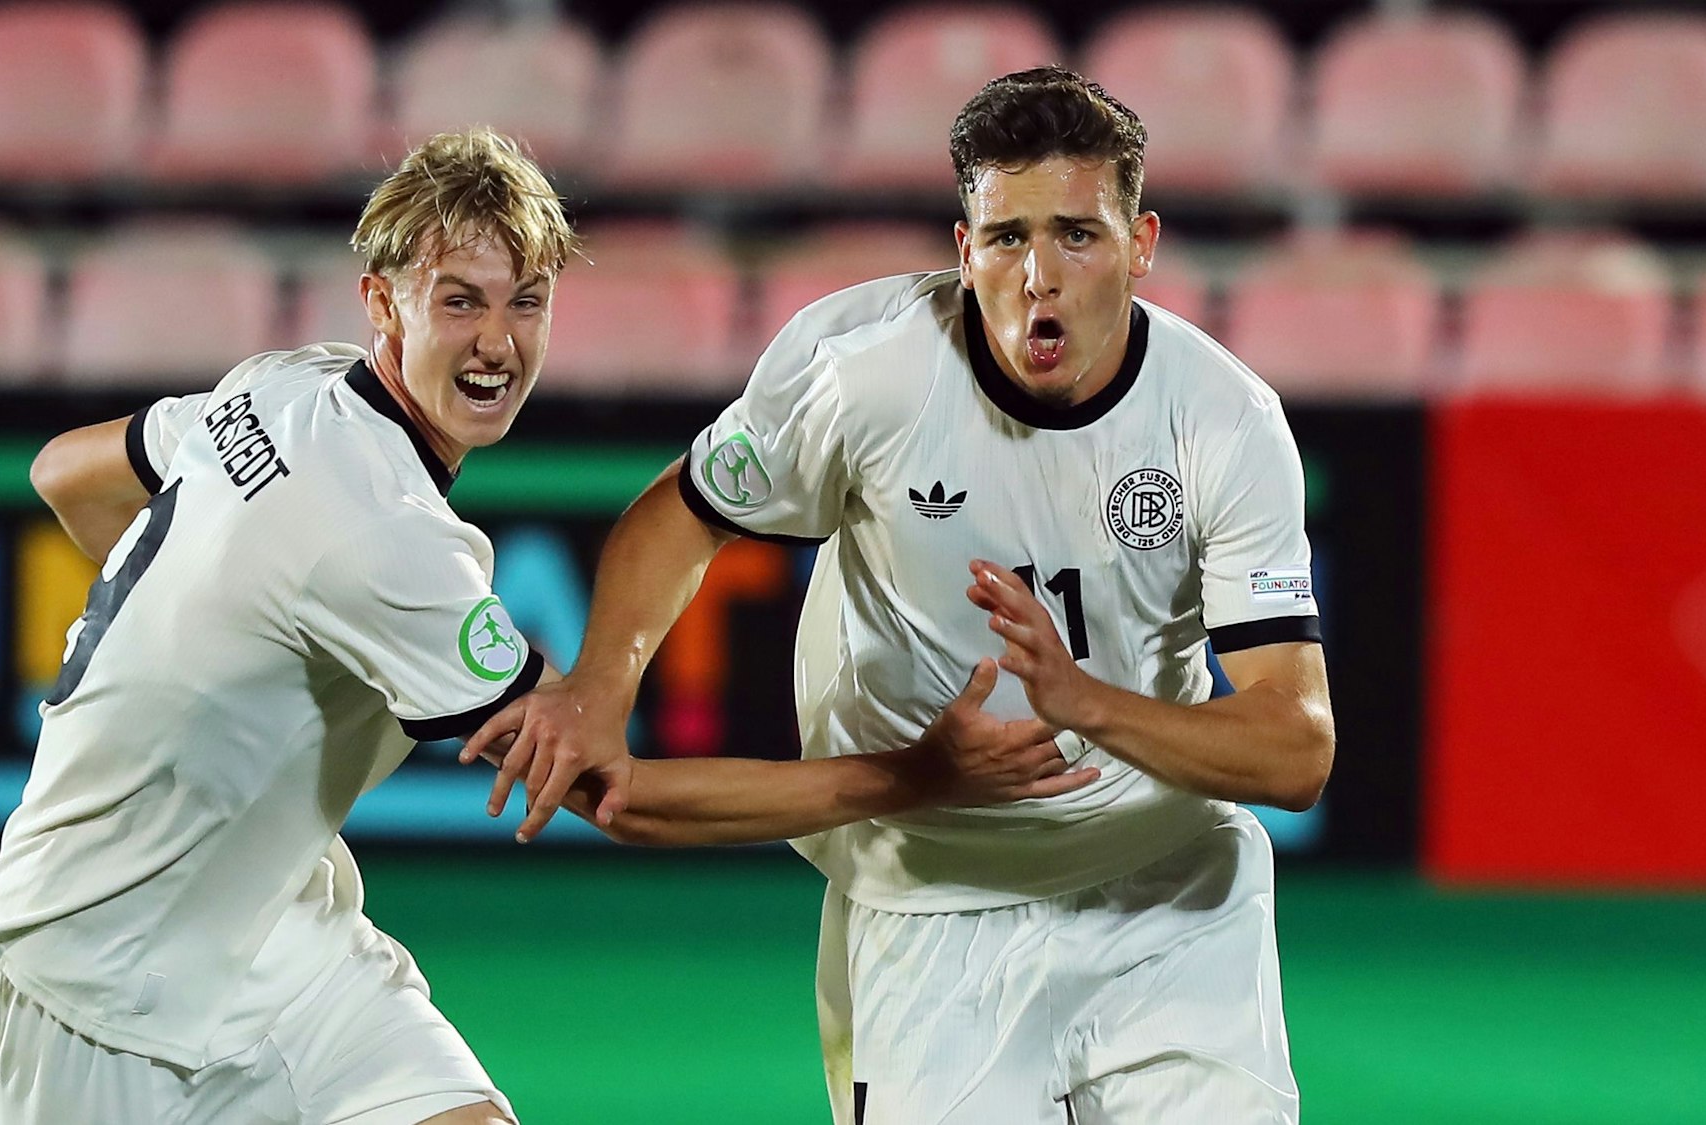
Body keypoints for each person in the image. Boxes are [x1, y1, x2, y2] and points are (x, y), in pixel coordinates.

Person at [0, 127, 1090, 1125]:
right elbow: (616, 797)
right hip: (85, 987)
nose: (496, 343)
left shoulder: (281, 384)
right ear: (381, 300)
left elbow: (68, 474)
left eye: (523, 301)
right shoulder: (384, 541)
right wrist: (920, 775)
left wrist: (203, 631)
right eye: (459, 301)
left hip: (277, 937)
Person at [473, 68, 1336, 1124]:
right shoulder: (868, 373)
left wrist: (1087, 707)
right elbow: (685, 508)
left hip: (1166, 892)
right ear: (964, 249)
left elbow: (1294, 750)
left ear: (1141, 244)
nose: (1039, 276)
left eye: (1077, 235)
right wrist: (599, 687)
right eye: (1008, 237)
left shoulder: (1224, 421)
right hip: (928, 899)